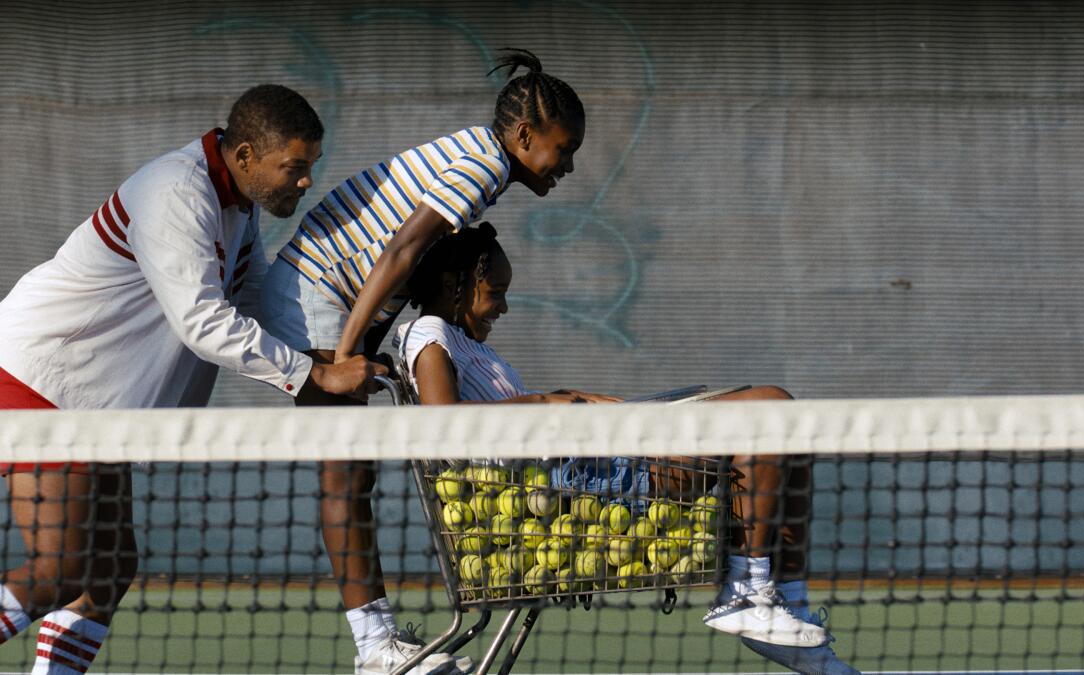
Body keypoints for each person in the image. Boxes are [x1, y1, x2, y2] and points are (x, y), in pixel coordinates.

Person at [0, 85, 385, 673]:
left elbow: (251, 298)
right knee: (62, 565)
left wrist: (321, 361)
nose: (305, 181)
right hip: (43, 381)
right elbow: (203, 322)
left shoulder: (238, 206)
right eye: (295, 167)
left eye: (310, 167)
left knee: (107, 570)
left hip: (94, 407)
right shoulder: (177, 191)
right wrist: (314, 375)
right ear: (248, 155)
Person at [392, 224, 860, 675]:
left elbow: (507, 410)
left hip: (589, 464)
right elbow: (446, 429)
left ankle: (785, 601)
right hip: (582, 486)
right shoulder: (427, 334)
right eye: (495, 292)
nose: (505, 307)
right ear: (454, 285)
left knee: (785, 421)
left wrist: (573, 396)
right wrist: (548, 402)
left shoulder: (464, 341)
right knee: (771, 409)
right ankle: (746, 590)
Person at [256, 49, 586, 674]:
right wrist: (347, 354)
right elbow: (402, 250)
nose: (567, 166)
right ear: (523, 136)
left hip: (338, 301)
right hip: (318, 297)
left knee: (353, 476)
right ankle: (374, 647)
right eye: (563, 149)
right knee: (347, 475)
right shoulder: (483, 167)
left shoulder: (479, 161)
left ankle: (376, 641)